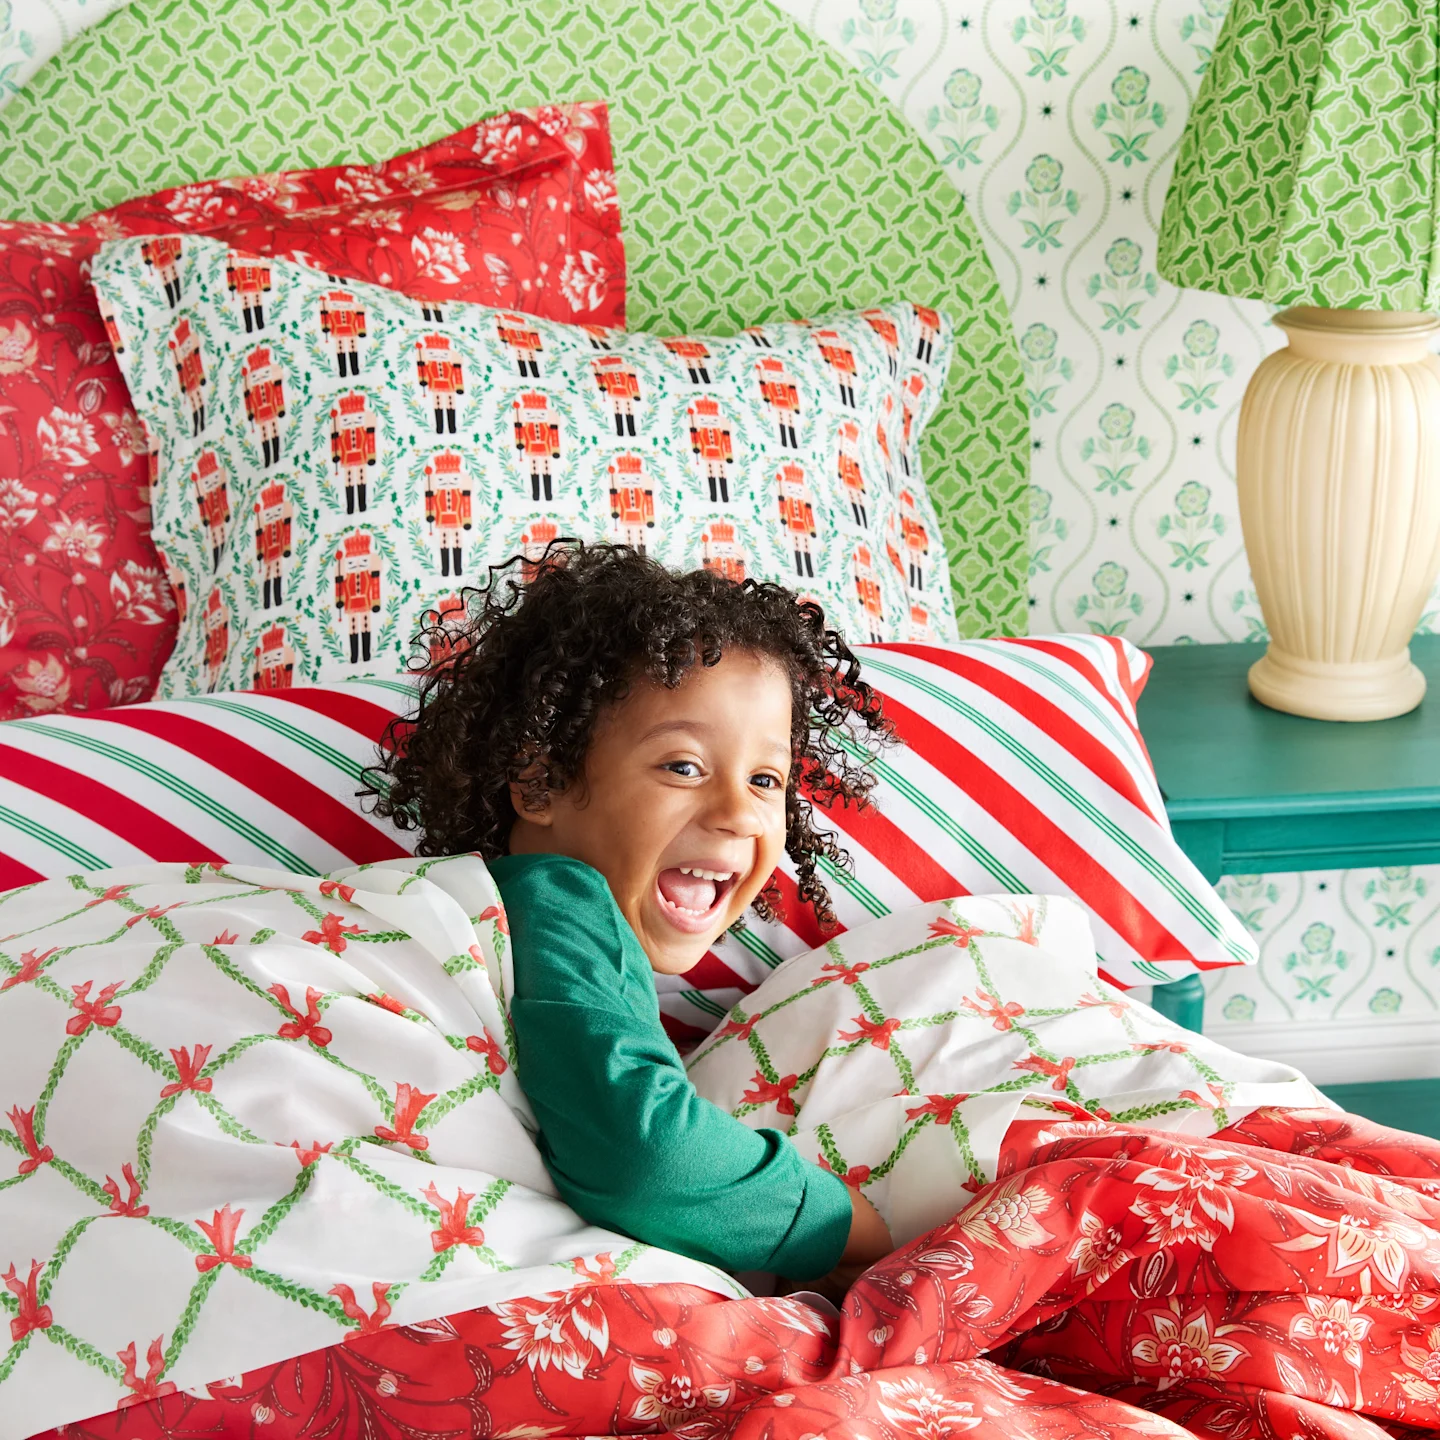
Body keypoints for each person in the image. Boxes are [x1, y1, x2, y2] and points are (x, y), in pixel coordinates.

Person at [368, 541, 894, 1289]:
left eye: (767, 778)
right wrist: (850, 1224)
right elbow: (647, 1157)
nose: (740, 812)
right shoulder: (559, 899)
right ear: (541, 784)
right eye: (683, 767)